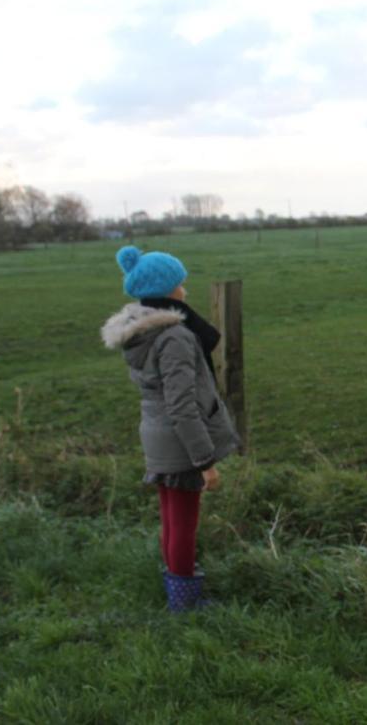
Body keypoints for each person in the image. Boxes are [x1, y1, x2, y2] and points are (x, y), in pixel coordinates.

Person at [100, 246, 240, 612]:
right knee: (183, 523)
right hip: (180, 443)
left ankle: (177, 585)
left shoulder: (141, 334)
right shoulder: (174, 338)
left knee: (171, 518)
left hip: (156, 435)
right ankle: (184, 603)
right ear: (166, 290)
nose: (185, 290)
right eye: (180, 283)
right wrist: (205, 461)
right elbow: (182, 405)